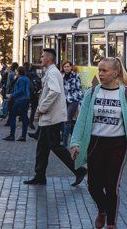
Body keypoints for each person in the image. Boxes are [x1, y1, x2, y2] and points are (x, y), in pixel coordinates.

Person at [69, 57, 127, 229]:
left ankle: (111, 223)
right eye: (99, 70)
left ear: (115, 73)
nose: (100, 74)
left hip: (117, 145)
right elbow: (81, 119)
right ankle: (102, 210)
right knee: (93, 186)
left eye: (104, 71)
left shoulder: (126, 94)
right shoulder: (92, 92)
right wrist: (75, 142)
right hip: (95, 143)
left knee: (111, 186)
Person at [23, 49, 87, 186]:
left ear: (48, 59)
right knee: (42, 147)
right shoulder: (53, 72)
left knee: (55, 146)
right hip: (49, 117)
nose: (40, 59)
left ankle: (79, 169)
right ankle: (40, 176)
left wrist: (42, 108)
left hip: (52, 117)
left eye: (42, 56)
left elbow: (55, 91)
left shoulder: (52, 72)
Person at [4, 66, 31, 141]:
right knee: (24, 117)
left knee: (13, 116)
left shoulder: (21, 79)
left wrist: (11, 95)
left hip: (19, 100)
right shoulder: (27, 79)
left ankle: (12, 135)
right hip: (26, 99)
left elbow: (21, 90)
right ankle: (23, 136)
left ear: (18, 71)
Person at [61, 61, 83, 147]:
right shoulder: (61, 76)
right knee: (65, 120)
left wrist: (80, 100)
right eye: (65, 67)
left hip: (73, 99)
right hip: (64, 100)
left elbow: (79, 89)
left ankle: (65, 142)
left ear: (71, 67)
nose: (66, 68)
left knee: (67, 119)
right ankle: (75, 137)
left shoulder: (76, 76)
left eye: (68, 66)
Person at [26, 62, 43, 139]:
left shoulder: (25, 74)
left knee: (26, 108)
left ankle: (27, 120)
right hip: (33, 94)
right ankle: (31, 121)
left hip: (26, 95)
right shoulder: (35, 75)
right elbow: (39, 84)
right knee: (33, 108)